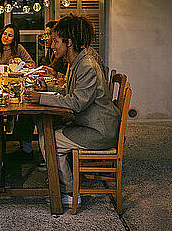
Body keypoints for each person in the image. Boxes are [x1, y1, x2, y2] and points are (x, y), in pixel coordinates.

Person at [24, 14, 120, 207]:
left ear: (69, 42)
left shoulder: (87, 65)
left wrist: (41, 98)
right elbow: (73, 92)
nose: (52, 46)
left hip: (99, 131)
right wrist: (49, 89)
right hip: (90, 124)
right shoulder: (77, 59)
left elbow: (77, 103)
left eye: (56, 41)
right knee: (46, 130)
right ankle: (59, 182)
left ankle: (69, 192)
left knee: (50, 140)